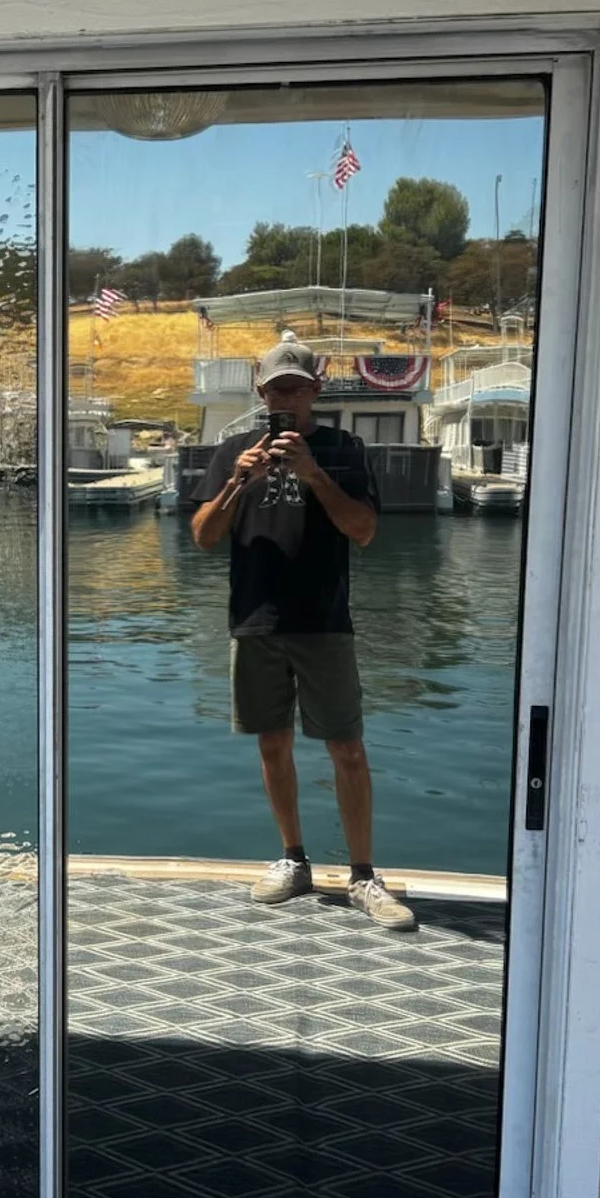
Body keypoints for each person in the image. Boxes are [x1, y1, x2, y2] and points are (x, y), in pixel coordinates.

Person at [191, 333, 416, 927]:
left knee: (346, 747)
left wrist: (313, 473)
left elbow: (363, 530)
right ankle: (294, 860)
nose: (284, 397)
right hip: (255, 619)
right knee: (272, 743)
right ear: (261, 393)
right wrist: (238, 481)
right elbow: (203, 536)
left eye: (295, 386)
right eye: (274, 388)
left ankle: (364, 877)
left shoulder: (344, 449)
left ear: (315, 389)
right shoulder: (234, 449)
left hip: (324, 621)